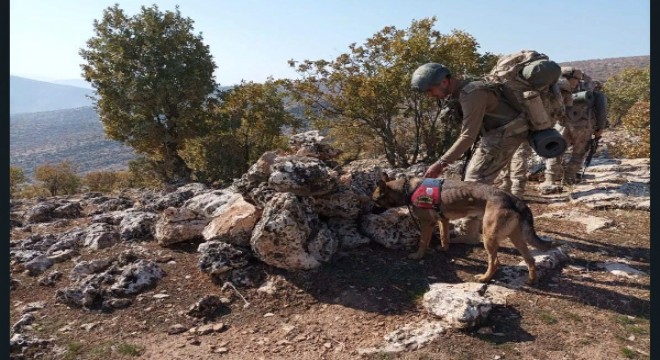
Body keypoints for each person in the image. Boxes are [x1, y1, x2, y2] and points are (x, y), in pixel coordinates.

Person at [411, 62, 532, 243]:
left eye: (430, 90)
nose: (430, 95)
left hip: (504, 134)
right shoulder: (464, 91)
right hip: (502, 132)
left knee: (474, 180)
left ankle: (469, 234)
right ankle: (503, 220)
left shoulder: (471, 94)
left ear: (444, 82)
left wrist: (441, 163)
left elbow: (467, 136)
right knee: (489, 178)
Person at [539, 67, 606, 193]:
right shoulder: (591, 89)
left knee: (555, 151)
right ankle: (569, 179)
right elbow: (601, 110)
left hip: (561, 125)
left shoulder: (555, 88)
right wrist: (600, 129)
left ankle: (550, 180)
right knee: (578, 154)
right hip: (584, 126)